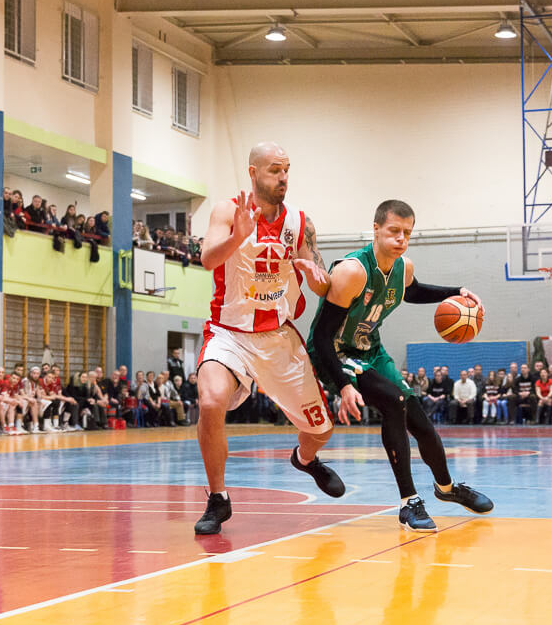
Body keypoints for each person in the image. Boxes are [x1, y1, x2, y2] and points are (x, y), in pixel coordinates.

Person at [307, 199, 492, 532]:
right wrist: (344, 385)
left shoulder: (402, 267)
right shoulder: (352, 271)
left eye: (407, 232)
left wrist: (456, 291)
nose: (401, 238)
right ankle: (409, 502)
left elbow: (412, 291)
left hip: (370, 350)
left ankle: (447, 488)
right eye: (394, 230)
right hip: (334, 352)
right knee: (394, 402)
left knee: (418, 418)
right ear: (376, 229)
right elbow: (321, 336)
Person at [192, 142, 343, 535]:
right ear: (253, 172)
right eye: (275, 169)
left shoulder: (300, 222)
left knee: (321, 431)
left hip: (277, 338)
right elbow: (207, 259)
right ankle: (218, 498)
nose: (283, 177)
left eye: (287, 169)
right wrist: (237, 237)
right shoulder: (228, 211)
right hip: (229, 333)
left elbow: (322, 282)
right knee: (210, 401)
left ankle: (305, 459)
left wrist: (314, 276)